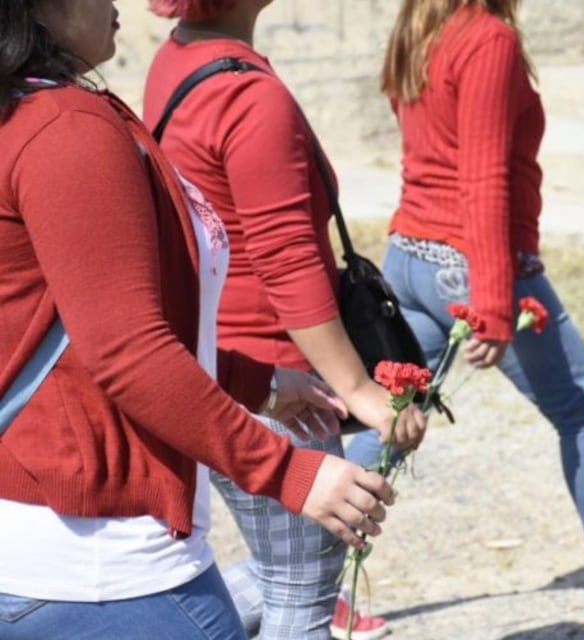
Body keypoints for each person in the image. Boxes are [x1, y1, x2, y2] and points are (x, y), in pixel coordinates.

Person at [0, 1, 396, 638]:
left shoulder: (42, 109)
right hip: (103, 566)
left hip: (61, 546)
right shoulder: (65, 129)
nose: (115, 2)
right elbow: (127, 351)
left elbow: (82, 315)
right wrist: (288, 472)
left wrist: (255, 380)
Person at [344, 0, 584, 625]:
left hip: (408, 252)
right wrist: (489, 302)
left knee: (393, 418)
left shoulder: (418, 27)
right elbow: (483, 180)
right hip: (466, 263)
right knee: (583, 409)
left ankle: (311, 583)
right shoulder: (487, 39)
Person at [142, 1, 426, 638]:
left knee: (286, 573)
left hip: (222, 364)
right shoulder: (247, 95)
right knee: (301, 596)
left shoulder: (178, 56)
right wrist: (359, 391)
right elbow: (287, 257)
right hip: (274, 383)